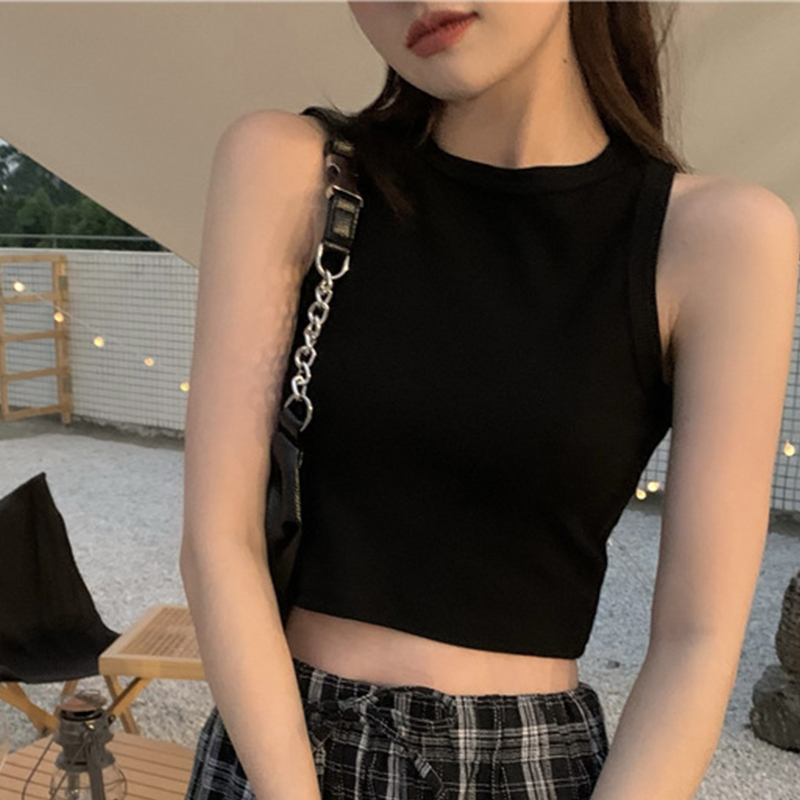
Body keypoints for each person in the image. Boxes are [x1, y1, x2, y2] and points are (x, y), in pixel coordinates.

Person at [179, 3, 800, 800]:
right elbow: (218, 541)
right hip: (283, 751)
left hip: (531, 767)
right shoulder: (291, 170)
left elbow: (697, 640)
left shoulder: (719, 239)